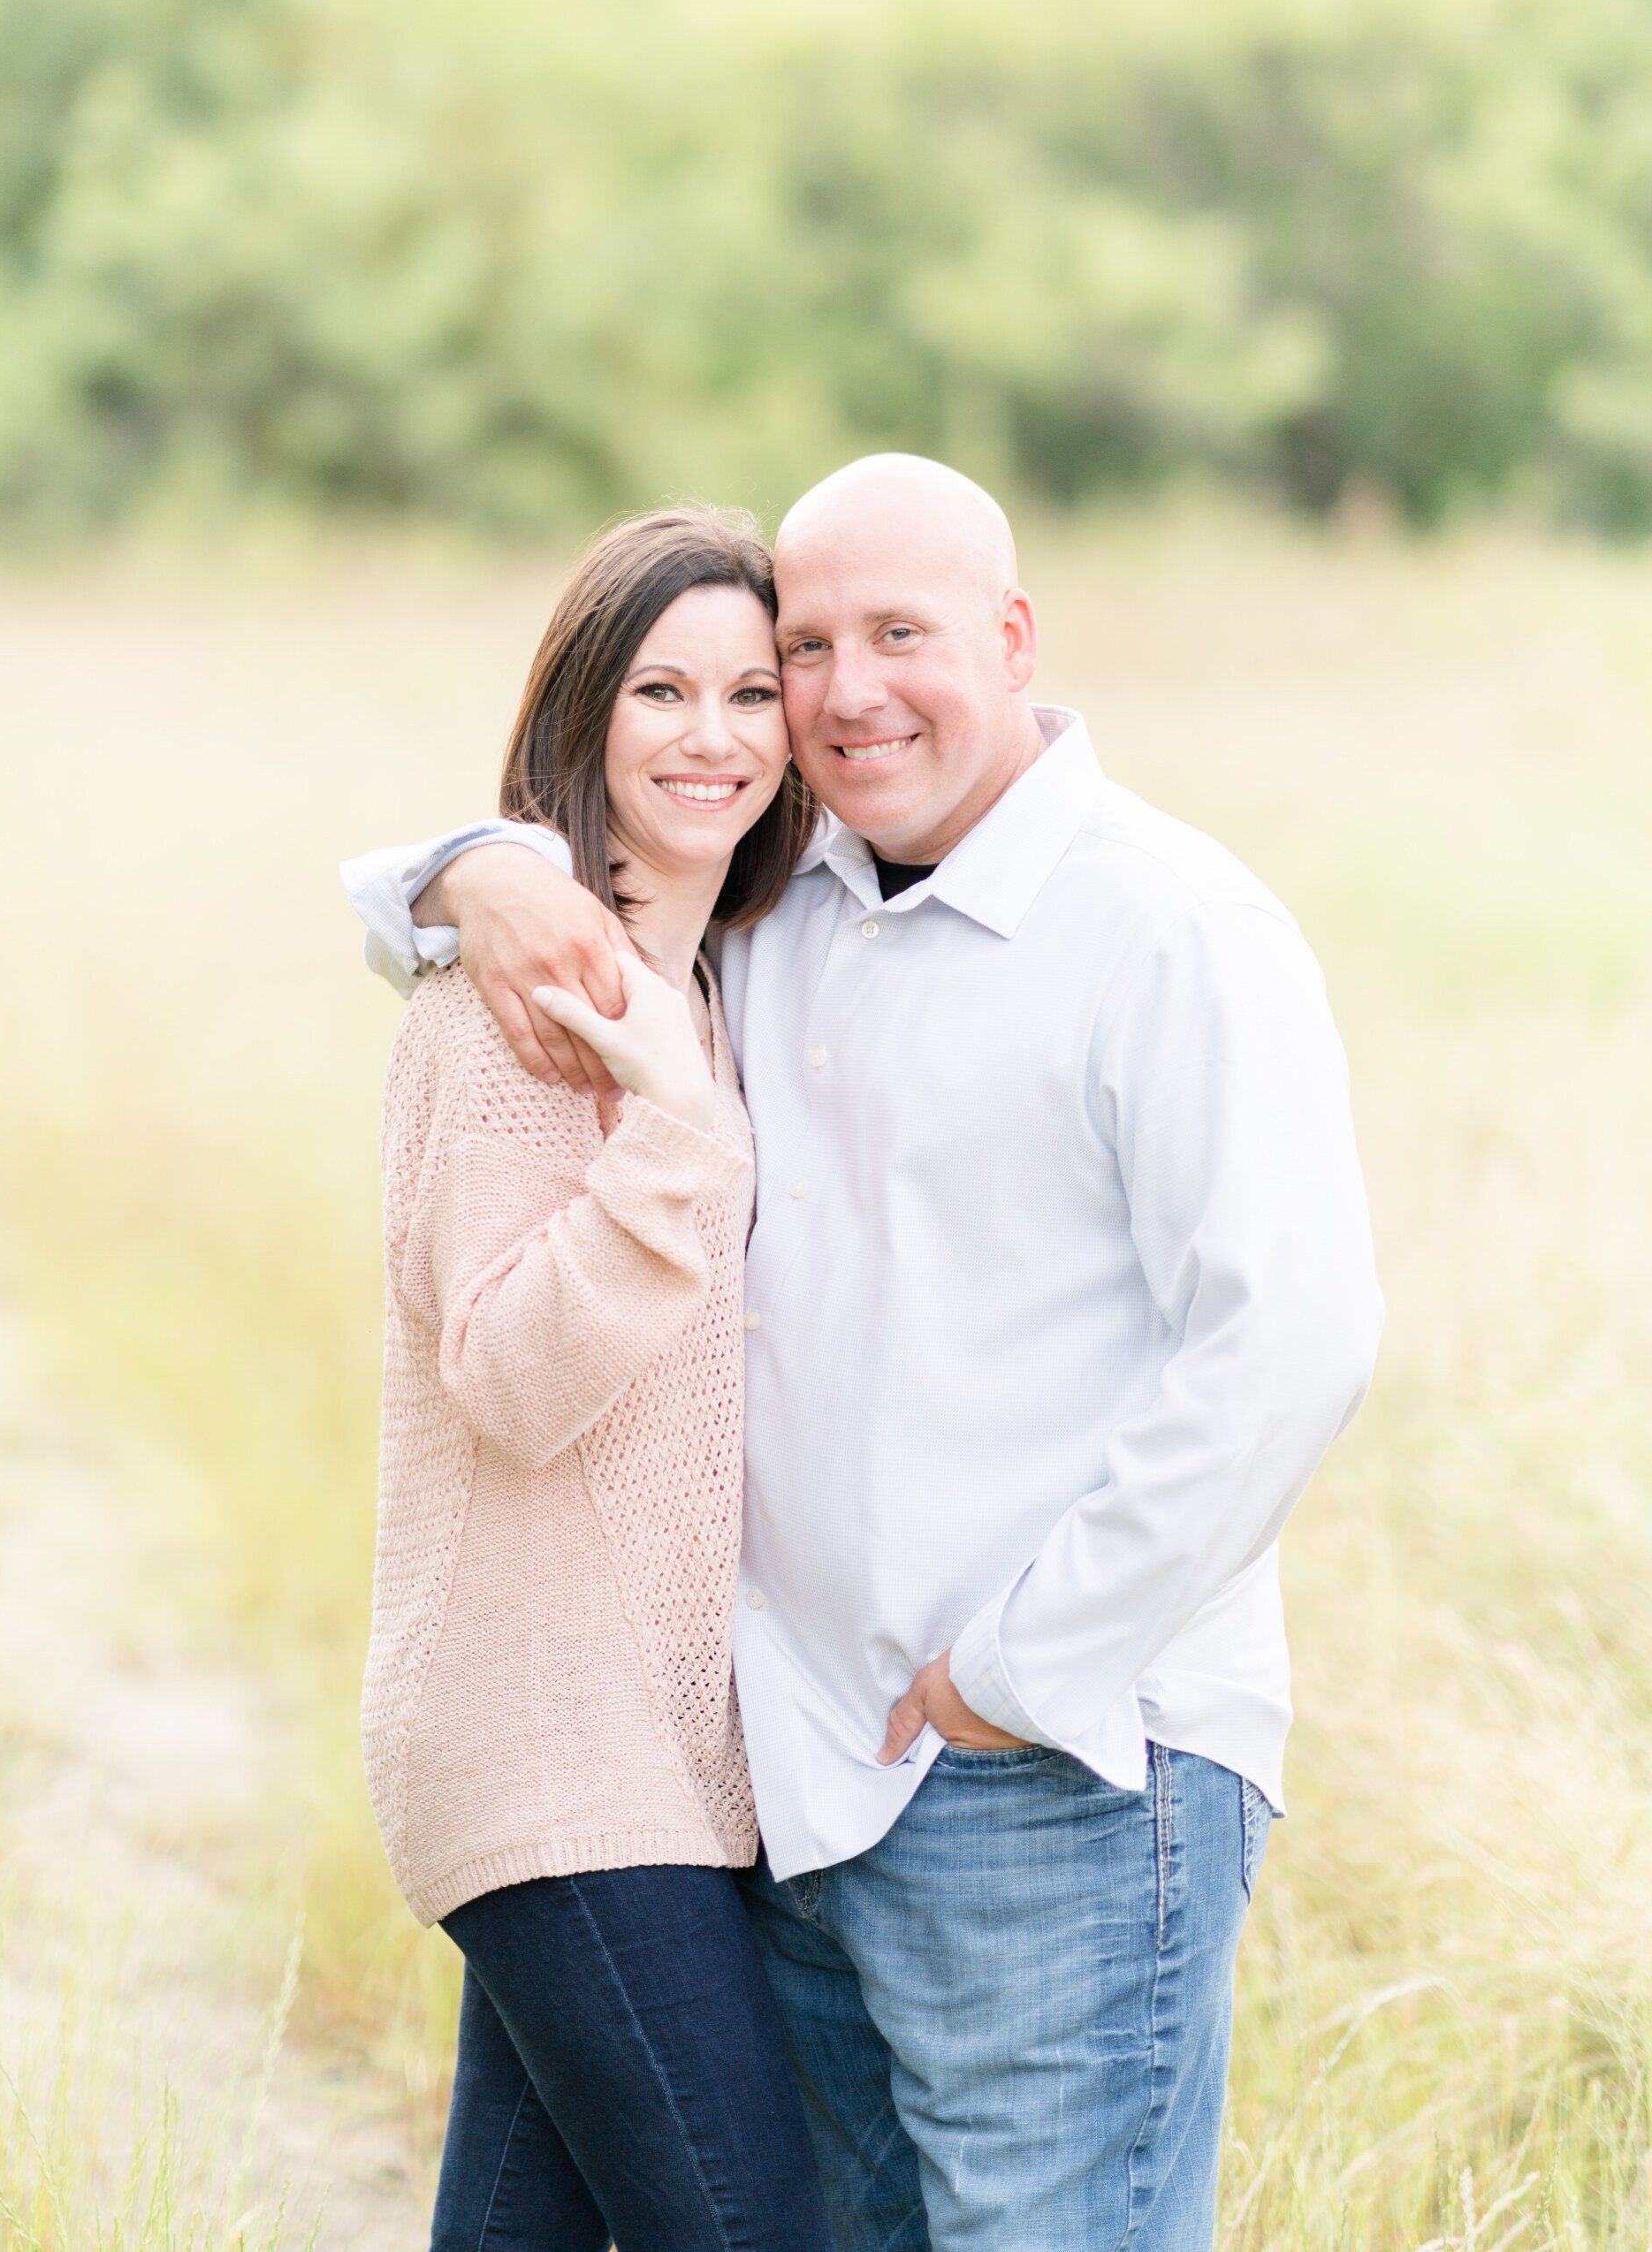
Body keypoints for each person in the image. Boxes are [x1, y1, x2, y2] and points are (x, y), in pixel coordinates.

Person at [346, 453, 1384, 2252]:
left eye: (885, 638)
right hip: (742, 1778)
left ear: (1014, 637)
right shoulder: (722, 927)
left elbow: (1292, 1341)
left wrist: (1020, 1667)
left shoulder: (1159, 924)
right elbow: (568, 869)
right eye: (799, 648)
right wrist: (469, 875)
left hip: (1051, 1758)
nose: (826, 698)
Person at [358, 504, 829, 2252]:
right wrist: (672, 1143)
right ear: (585, 718)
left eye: (747, 692)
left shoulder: (696, 983)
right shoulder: (519, 1004)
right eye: (660, 692)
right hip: (538, 1729)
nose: (713, 737)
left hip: (645, 1745)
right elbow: (510, 1377)